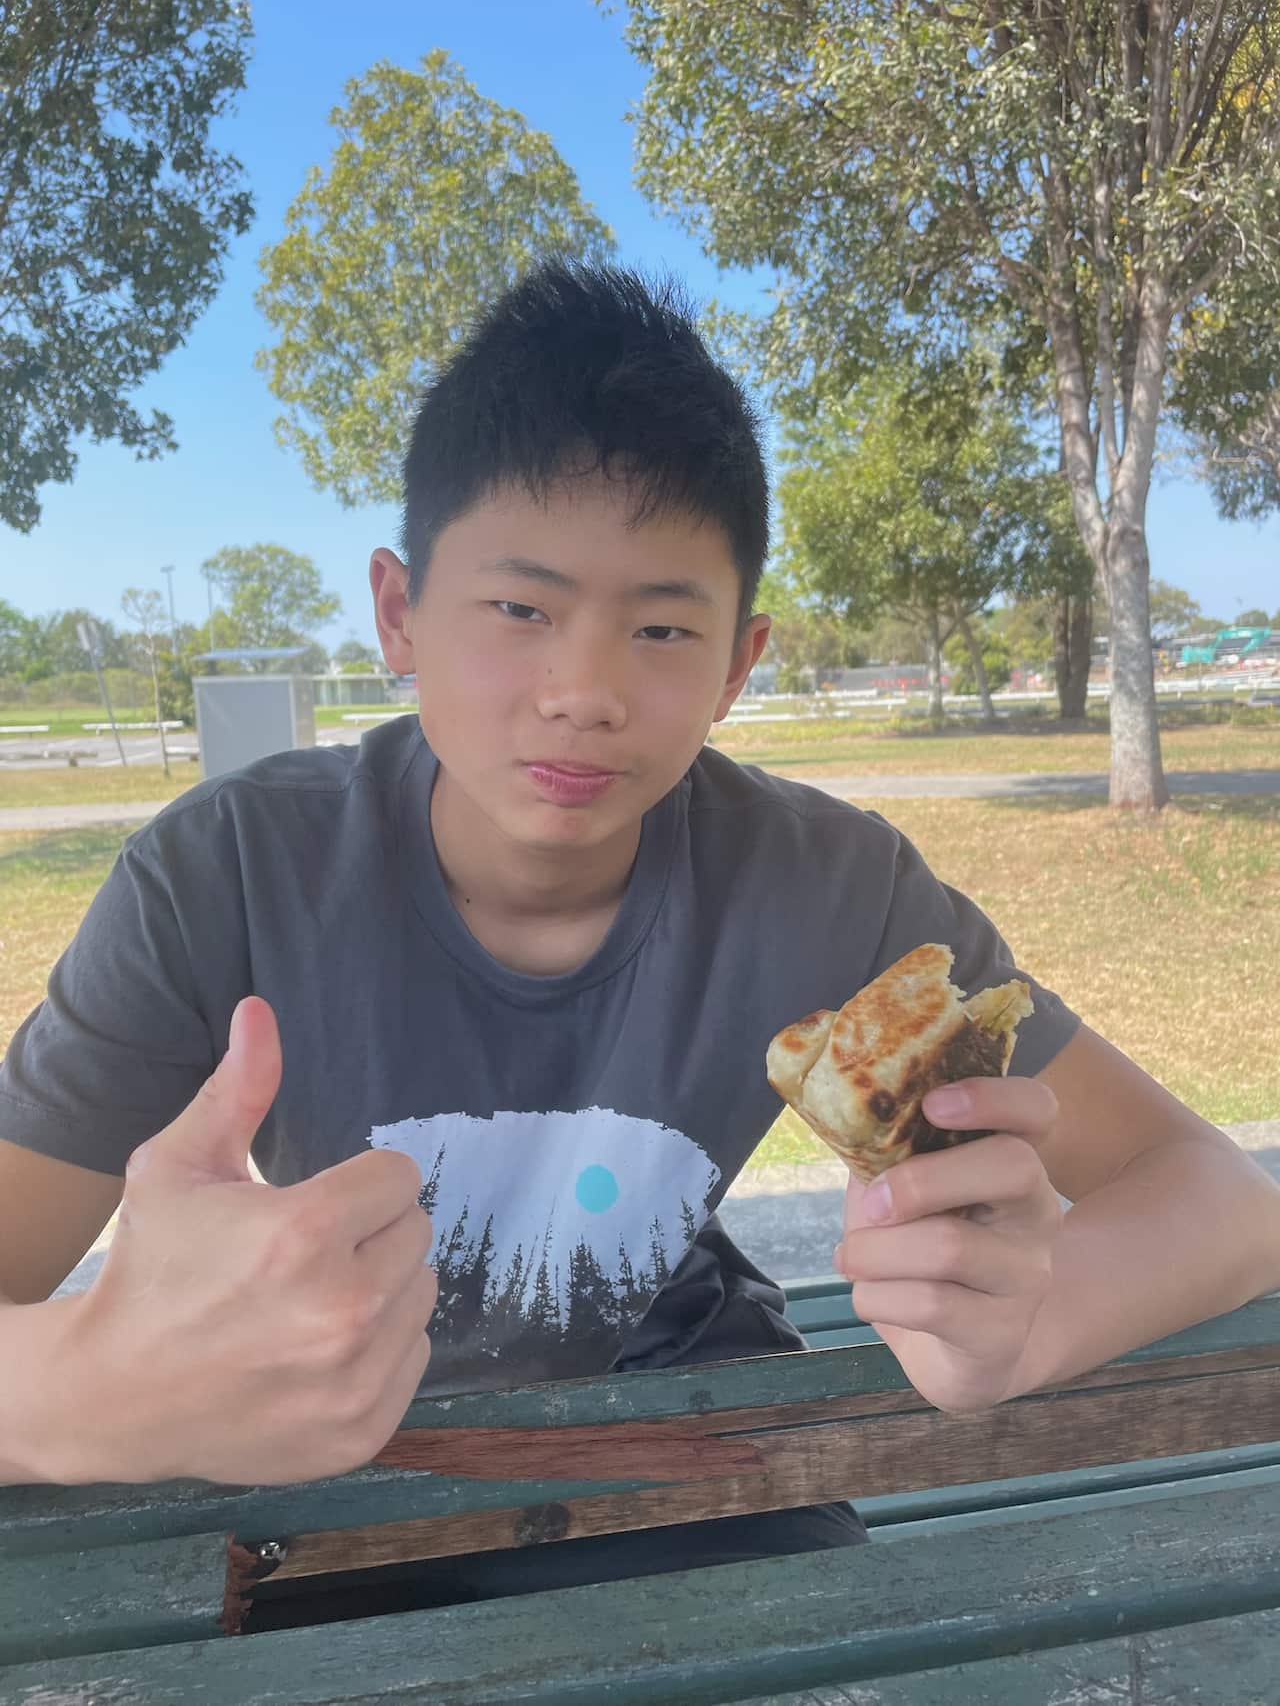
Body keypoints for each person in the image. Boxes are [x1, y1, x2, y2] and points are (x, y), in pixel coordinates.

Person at [1, 262, 1277, 1611]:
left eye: (663, 627)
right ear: (398, 615)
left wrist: (1024, 1323)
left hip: (687, 1435)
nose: (584, 694)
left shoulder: (822, 882)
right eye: (520, 610)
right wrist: (85, 1387)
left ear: (738, 663)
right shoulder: (225, 877)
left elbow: (1218, 1197)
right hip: (327, 1450)